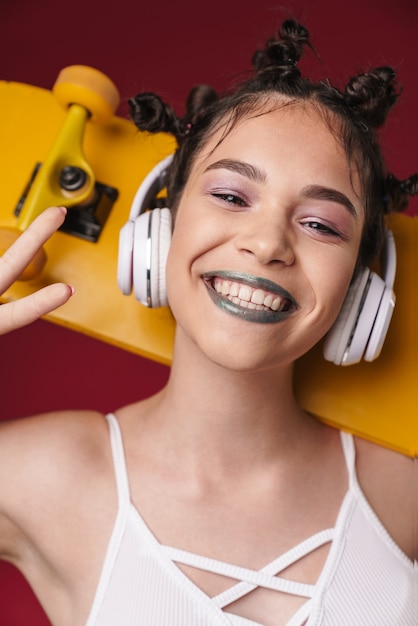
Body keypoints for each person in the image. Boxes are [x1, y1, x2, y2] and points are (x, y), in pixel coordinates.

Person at [0, 19, 416, 626]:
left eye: (322, 224)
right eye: (230, 196)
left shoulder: (401, 492)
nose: (267, 242)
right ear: (159, 228)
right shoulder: (47, 476)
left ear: (360, 289)